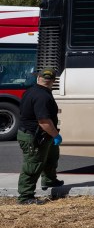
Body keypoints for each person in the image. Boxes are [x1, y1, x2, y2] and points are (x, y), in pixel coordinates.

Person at [16, 67, 62, 205]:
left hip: (41, 135)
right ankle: (25, 196)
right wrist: (56, 135)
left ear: (38, 78)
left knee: (51, 156)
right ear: (53, 81)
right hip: (34, 136)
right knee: (33, 165)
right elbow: (43, 121)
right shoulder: (43, 96)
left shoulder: (32, 91)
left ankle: (49, 180)